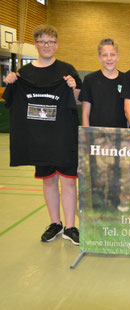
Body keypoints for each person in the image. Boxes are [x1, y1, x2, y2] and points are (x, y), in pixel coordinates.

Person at [2, 24, 81, 245]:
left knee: (68, 182)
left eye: (51, 42)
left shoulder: (67, 69)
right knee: (48, 182)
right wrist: (9, 82)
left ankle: (70, 227)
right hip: (38, 139)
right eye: (43, 42)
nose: (47, 46)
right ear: (36, 44)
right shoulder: (24, 74)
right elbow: (9, 100)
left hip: (63, 137)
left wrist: (74, 88)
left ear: (57, 44)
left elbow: (76, 101)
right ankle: (55, 223)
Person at [79, 38, 126, 128]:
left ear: (118, 57)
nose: (109, 58)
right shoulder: (90, 80)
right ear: (100, 58)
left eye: (112, 54)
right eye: (105, 55)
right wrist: (86, 136)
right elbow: (85, 114)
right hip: (96, 136)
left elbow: (128, 111)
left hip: (119, 135)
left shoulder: (126, 79)